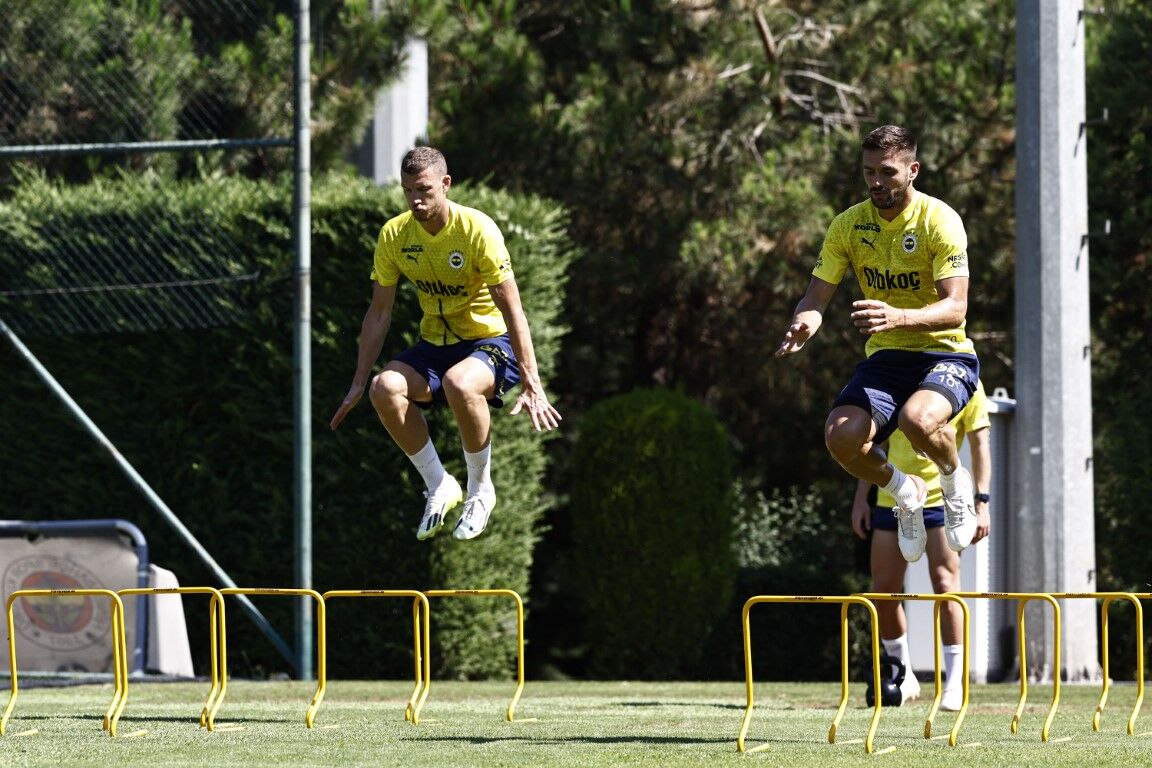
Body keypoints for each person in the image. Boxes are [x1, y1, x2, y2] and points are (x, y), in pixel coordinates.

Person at [330, 146, 561, 541]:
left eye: (424, 190)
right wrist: (357, 381)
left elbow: (513, 310)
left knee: (460, 382)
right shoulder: (395, 235)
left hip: (490, 341)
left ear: (445, 184)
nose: (416, 201)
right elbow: (379, 313)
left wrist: (532, 382)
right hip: (435, 344)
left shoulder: (477, 230)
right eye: (408, 191)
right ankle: (439, 485)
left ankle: (480, 490)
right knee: (383, 388)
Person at [775, 124, 981, 563]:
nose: (876, 182)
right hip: (888, 357)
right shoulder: (848, 225)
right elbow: (815, 298)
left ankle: (952, 477)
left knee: (917, 420)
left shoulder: (939, 220)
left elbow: (956, 307)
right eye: (869, 171)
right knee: (840, 437)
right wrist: (804, 321)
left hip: (944, 353)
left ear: (913, 170)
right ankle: (905, 491)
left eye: (887, 172)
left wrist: (899, 316)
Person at [852, 380, 992, 711]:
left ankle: (954, 681)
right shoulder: (896, 374)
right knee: (884, 592)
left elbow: (980, 444)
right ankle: (903, 675)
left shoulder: (964, 379)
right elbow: (873, 444)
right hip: (894, 497)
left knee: (946, 585)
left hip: (942, 500)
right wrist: (861, 499)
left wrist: (982, 501)